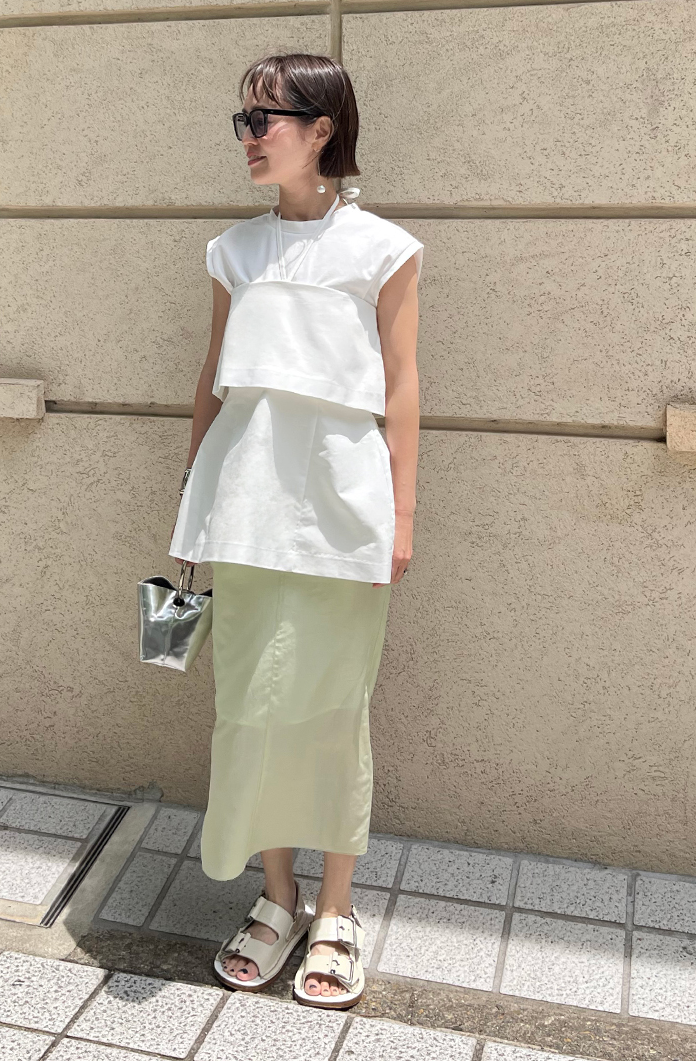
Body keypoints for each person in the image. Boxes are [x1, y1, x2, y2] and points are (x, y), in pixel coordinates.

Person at [169, 52, 423, 1009]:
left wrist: (402, 514)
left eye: (265, 119)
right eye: (243, 120)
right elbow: (212, 380)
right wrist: (191, 500)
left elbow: (403, 387)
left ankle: (337, 909)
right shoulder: (233, 251)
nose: (249, 136)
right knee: (252, 705)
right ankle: (276, 896)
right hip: (242, 507)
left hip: (344, 509)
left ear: (323, 130)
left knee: (333, 709)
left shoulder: (383, 250)